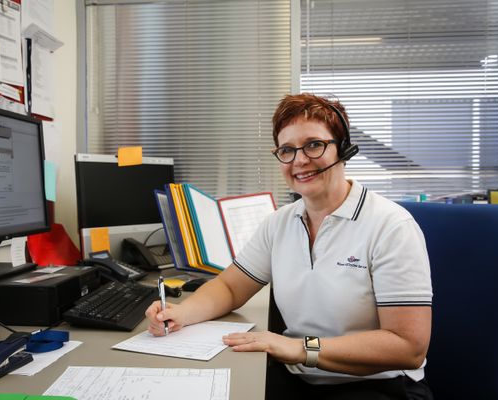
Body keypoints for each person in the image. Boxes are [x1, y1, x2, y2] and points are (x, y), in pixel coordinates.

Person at [145, 93, 433, 399]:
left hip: (378, 384)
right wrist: (182, 313)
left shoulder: (390, 226)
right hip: (300, 376)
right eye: (287, 150)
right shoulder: (279, 222)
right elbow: (230, 287)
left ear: (343, 148)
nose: (299, 160)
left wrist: (300, 348)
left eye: (313, 144)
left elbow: (408, 347)